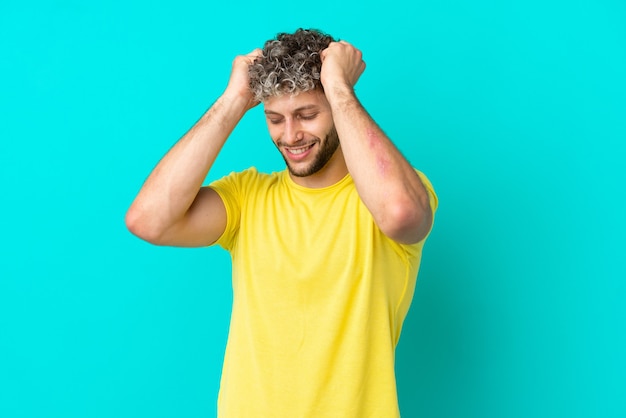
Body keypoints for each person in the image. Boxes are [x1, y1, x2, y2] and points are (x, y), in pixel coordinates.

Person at [126, 28, 438, 418]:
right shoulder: (247, 197)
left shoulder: (390, 195)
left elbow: (402, 215)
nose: (290, 136)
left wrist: (339, 88)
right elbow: (148, 220)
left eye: (307, 114)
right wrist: (234, 100)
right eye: (275, 119)